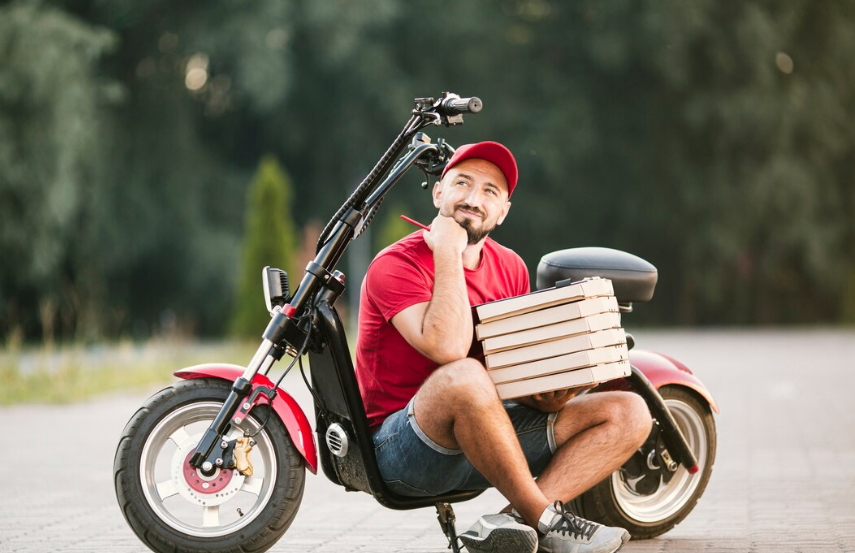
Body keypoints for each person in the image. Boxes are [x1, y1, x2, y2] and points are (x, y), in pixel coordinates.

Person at [355, 141, 652, 553]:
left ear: (503, 211)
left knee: (630, 410)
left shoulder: (510, 266)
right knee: (462, 375)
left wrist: (546, 396)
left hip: (487, 443)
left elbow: (513, 371)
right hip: (405, 453)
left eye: (490, 192)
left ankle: (512, 526)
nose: (474, 199)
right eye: (463, 183)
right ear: (439, 192)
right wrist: (446, 249)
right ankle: (549, 521)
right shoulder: (395, 264)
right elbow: (447, 349)